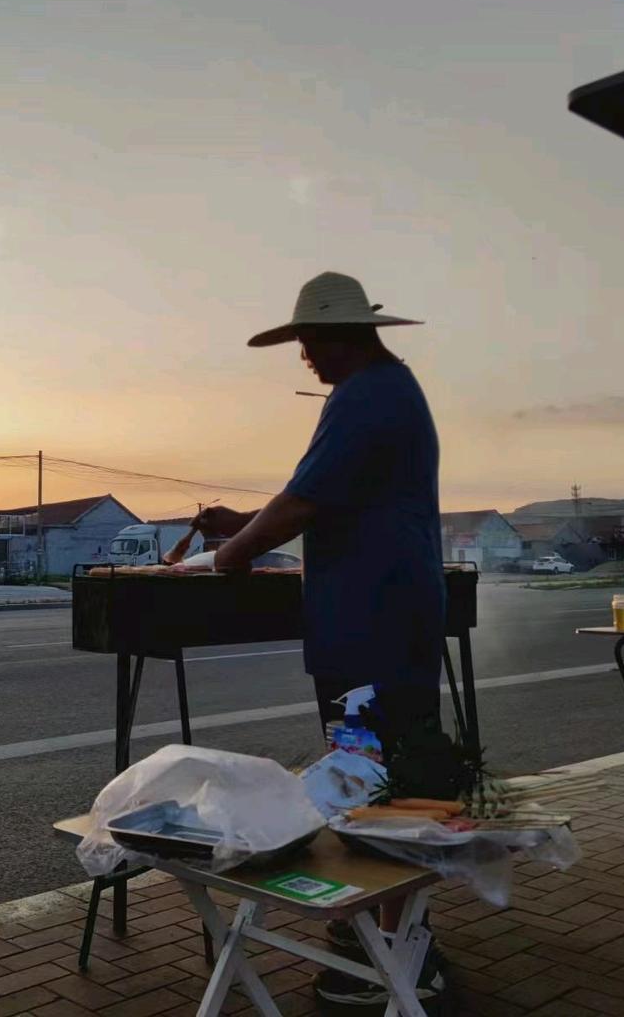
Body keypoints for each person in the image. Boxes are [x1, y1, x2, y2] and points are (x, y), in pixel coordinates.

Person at [194, 271, 447, 1010]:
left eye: (309, 342)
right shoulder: (386, 392)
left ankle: (400, 956)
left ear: (346, 337)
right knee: (378, 769)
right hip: (382, 615)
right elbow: (331, 499)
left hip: (374, 622)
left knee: (375, 779)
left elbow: (304, 499)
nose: (304, 356)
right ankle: (379, 934)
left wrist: (230, 554)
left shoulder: (367, 395)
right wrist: (243, 524)